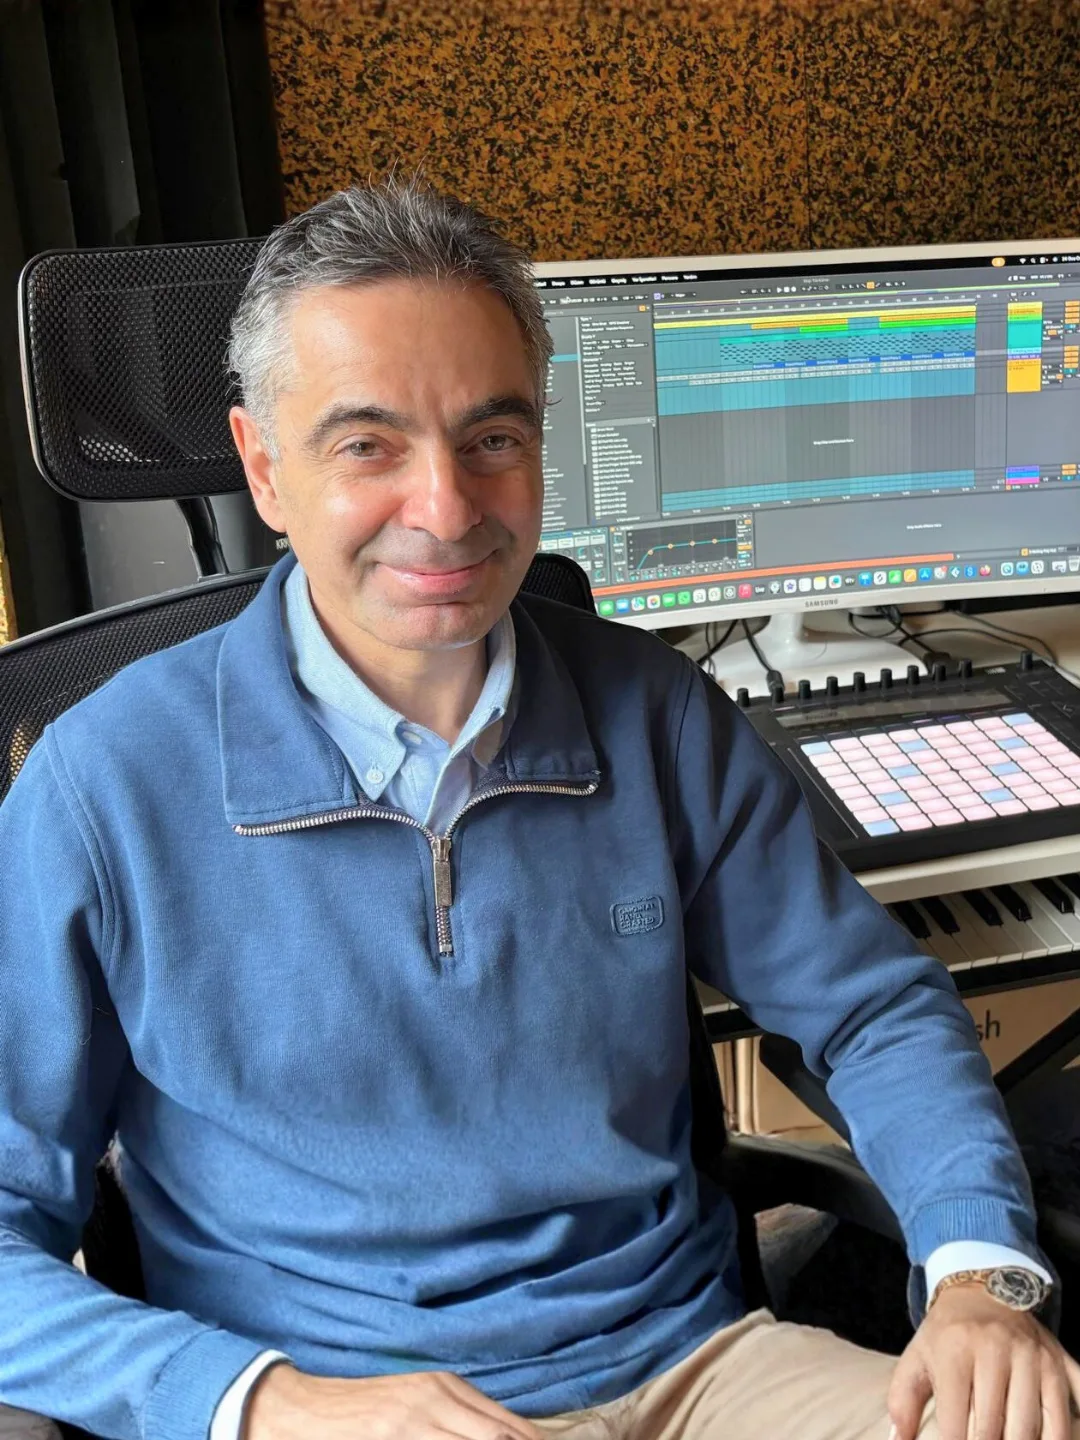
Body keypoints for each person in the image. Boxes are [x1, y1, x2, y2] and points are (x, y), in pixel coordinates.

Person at [0, 176, 1077, 1440]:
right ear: (265, 468)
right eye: (368, 446)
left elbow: (873, 1010)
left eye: (493, 439)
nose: (447, 509)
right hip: (333, 1398)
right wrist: (255, 1401)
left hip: (692, 1370)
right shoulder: (99, 787)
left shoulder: (658, 716)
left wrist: (979, 1275)